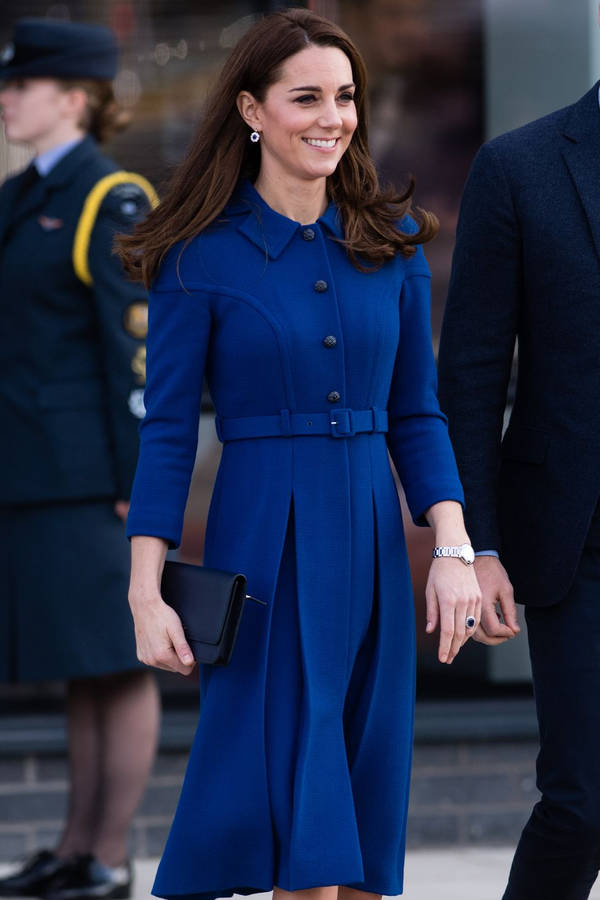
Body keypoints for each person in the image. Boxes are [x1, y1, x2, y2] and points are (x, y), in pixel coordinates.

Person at [122, 9, 480, 900]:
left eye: (346, 96)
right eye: (307, 97)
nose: (334, 117)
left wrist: (453, 549)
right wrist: (145, 591)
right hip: (263, 548)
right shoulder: (197, 257)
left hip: (372, 549)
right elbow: (168, 433)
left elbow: (418, 414)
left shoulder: (392, 245)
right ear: (252, 109)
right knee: (295, 814)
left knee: (361, 799)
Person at [437, 15, 600, 899]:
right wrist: (477, 545)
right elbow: (468, 373)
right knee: (583, 803)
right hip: (580, 542)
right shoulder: (520, 166)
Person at [0, 19, 160, 900]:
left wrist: (141, 483)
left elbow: (134, 352)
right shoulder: (23, 193)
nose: (6, 98)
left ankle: (107, 857)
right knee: (83, 664)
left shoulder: (111, 197)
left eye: (21, 85)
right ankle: (73, 849)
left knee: (116, 661)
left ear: (73, 98)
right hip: (38, 474)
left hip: (96, 481)